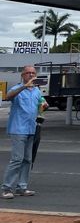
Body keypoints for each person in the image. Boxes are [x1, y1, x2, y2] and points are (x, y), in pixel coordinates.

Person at [2, 66, 47, 200]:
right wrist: (24, 86)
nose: (31, 75)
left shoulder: (36, 91)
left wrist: (44, 106)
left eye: (33, 73)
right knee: (17, 159)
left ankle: (22, 187)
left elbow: (42, 103)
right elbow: (8, 97)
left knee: (27, 159)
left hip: (31, 128)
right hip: (18, 129)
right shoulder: (16, 89)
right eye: (28, 73)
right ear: (23, 75)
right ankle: (6, 188)